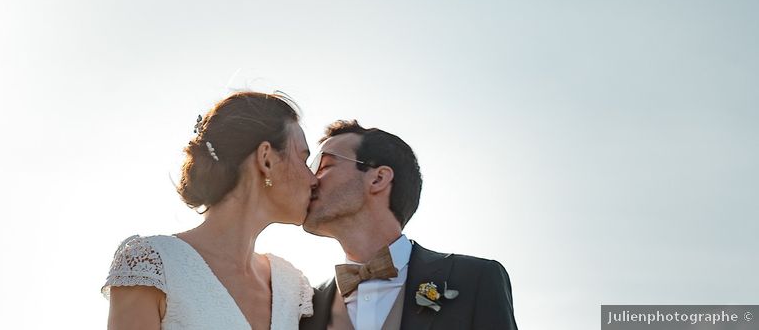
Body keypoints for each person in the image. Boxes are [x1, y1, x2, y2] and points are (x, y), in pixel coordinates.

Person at [102, 91, 319, 330]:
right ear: (266, 159)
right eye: (304, 160)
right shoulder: (152, 265)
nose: (314, 179)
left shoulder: (291, 286)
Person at [300, 120, 518, 330]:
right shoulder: (305, 307)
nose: (310, 180)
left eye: (324, 166)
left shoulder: (475, 279)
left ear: (378, 178)